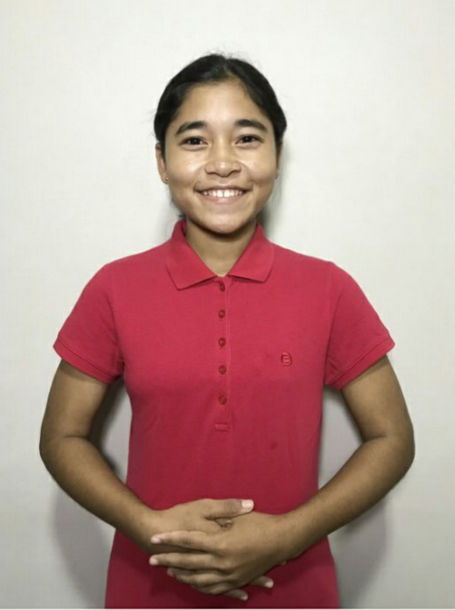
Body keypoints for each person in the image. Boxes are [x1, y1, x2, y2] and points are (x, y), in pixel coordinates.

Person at [40, 53, 415, 609]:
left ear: (277, 156)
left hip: (293, 588)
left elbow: (392, 439)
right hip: (151, 585)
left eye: (246, 139)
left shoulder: (328, 288)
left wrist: (287, 536)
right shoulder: (114, 288)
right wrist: (145, 524)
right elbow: (61, 437)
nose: (222, 163)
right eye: (194, 140)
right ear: (162, 161)